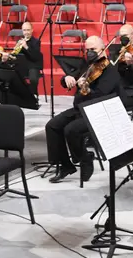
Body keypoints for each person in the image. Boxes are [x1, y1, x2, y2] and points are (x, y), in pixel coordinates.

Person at [45, 36, 121, 183]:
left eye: (93, 49)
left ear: (103, 48)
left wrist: (85, 86)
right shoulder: (87, 65)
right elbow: (70, 78)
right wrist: (67, 78)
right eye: (87, 50)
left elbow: (100, 94)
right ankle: (65, 165)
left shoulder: (111, 70)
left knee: (70, 130)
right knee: (52, 126)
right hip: (79, 109)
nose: (89, 53)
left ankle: (85, 158)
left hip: (98, 111)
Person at [111, 24, 133, 110]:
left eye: (125, 36)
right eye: (121, 36)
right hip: (116, 91)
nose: (123, 38)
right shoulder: (116, 53)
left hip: (131, 93)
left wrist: (129, 65)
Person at [9, 22, 43, 94]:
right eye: (24, 30)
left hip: (33, 66)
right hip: (23, 65)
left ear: (32, 30)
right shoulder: (19, 41)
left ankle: (33, 95)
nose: (26, 32)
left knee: (33, 79)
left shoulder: (36, 42)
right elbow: (15, 55)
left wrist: (26, 47)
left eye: (28, 30)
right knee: (12, 75)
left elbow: (35, 57)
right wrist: (15, 51)